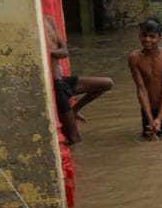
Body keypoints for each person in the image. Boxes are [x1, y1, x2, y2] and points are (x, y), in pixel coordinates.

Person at [45, 15, 114, 145]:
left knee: (107, 83)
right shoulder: (33, 25)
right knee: (75, 138)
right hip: (54, 86)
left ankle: (75, 109)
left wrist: (50, 52)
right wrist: (52, 52)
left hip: (62, 81)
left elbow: (64, 51)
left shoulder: (48, 20)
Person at [128, 16, 162, 139]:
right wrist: (150, 118)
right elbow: (141, 88)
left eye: (152, 36)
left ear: (160, 38)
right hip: (148, 109)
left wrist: (159, 118)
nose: (147, 39)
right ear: (140, 35)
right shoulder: (134, 58)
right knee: (149, 144)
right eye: (144, 35)